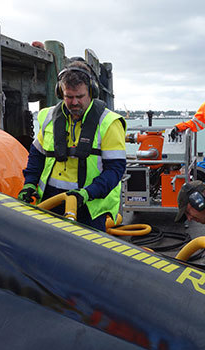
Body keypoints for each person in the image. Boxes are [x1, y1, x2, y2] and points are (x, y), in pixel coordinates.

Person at [20, 61, 127, 229]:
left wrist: (88, 192)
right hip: (50, 201)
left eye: (80, 96)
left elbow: (115, 170)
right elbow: (37, 155)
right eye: (69, 97)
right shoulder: (48, 117)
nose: (74, 102)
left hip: (89, 205)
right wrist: (29, 183)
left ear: (91, 92)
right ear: (60, 92)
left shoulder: (109, 123)